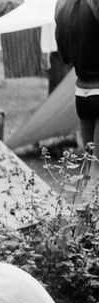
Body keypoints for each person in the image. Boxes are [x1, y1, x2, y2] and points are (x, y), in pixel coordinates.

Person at [54, 0, 99, 191]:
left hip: (81, 94)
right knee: (97, 167)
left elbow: (64, 56)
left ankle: (86, 216)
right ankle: (89, 217)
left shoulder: (62, 5)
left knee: (89, 166)